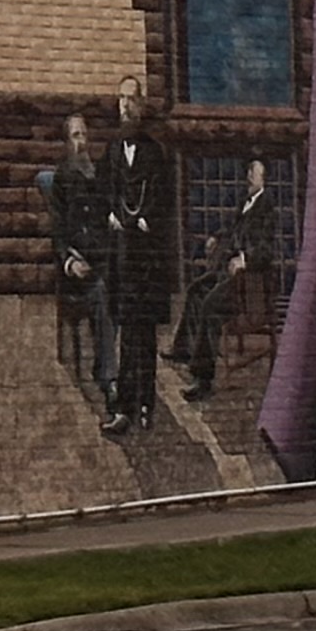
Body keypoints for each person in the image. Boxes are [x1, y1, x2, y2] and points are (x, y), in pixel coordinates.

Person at [94, 75, 172, 435]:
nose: (125, 105)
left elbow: (161, 202)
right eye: (120, 99)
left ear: (141, 105)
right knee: (126, 334)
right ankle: (124, 409)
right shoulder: (111, 152)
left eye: (131, 99)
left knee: (145, 337)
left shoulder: (155, 153)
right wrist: (114, 212)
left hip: (148, 263)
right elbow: (103, 194)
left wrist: (143, 219)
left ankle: (145, 406)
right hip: (122, 262)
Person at [172, 155, 271, 398]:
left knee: (209, 306)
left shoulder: (266, 207)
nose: (249, 176)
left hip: (248, 285)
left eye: (254, 173)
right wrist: (216, 236)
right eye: (248, 171)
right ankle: (184, 349)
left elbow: (267, 250)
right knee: (196, 290)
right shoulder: (246, 201)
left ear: (264, 179)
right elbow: (233, 227)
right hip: (227, 273)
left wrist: (244, 260)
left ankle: (203, 379)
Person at [43, 110, 102, 396]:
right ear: (67, 143)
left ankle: (111, 373)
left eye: (84, 135)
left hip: (99, 262)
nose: (82, 142)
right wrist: (70, 262)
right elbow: (58, 234)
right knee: (101, 294)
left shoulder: (97, 176)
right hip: (75, 269)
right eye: (76, 136)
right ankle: (108, 377)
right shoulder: (62, 180)